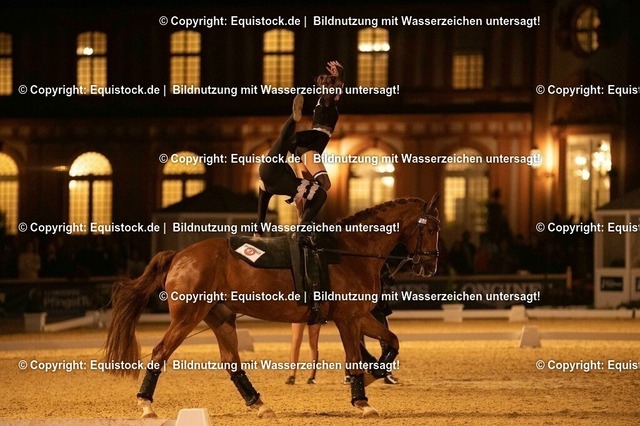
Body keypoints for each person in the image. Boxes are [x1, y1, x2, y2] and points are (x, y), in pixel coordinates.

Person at [256, 60, 345, 235]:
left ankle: (301, 225)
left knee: (306, 191)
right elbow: (337, 90)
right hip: (311, 145)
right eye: (328, 86)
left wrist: (337, 78)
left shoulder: (324, 101)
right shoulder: (326, 101)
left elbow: (338, 91)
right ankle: (303, 226)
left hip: (305, 147)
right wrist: (340, 74)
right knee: (324, 184)